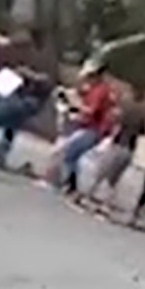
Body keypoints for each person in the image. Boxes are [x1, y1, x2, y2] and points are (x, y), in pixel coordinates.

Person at [80, 85, 145, 211]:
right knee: (114, 179)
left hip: (118, 144)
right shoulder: (143, 113)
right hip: (130, 148)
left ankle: (87, 197)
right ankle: (105, 205)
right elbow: (143, 131)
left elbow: (115, 121)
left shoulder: (126, 108)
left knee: (101, 172)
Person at [53, 64, 116, 197]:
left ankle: (70, 185)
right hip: (90, 128)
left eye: (90, 78)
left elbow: (91, 111)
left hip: (93, 129)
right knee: (72, 154)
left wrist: (77, 104)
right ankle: (70, 184)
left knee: (71, 153)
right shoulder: (98, 90)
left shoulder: (100, 91)